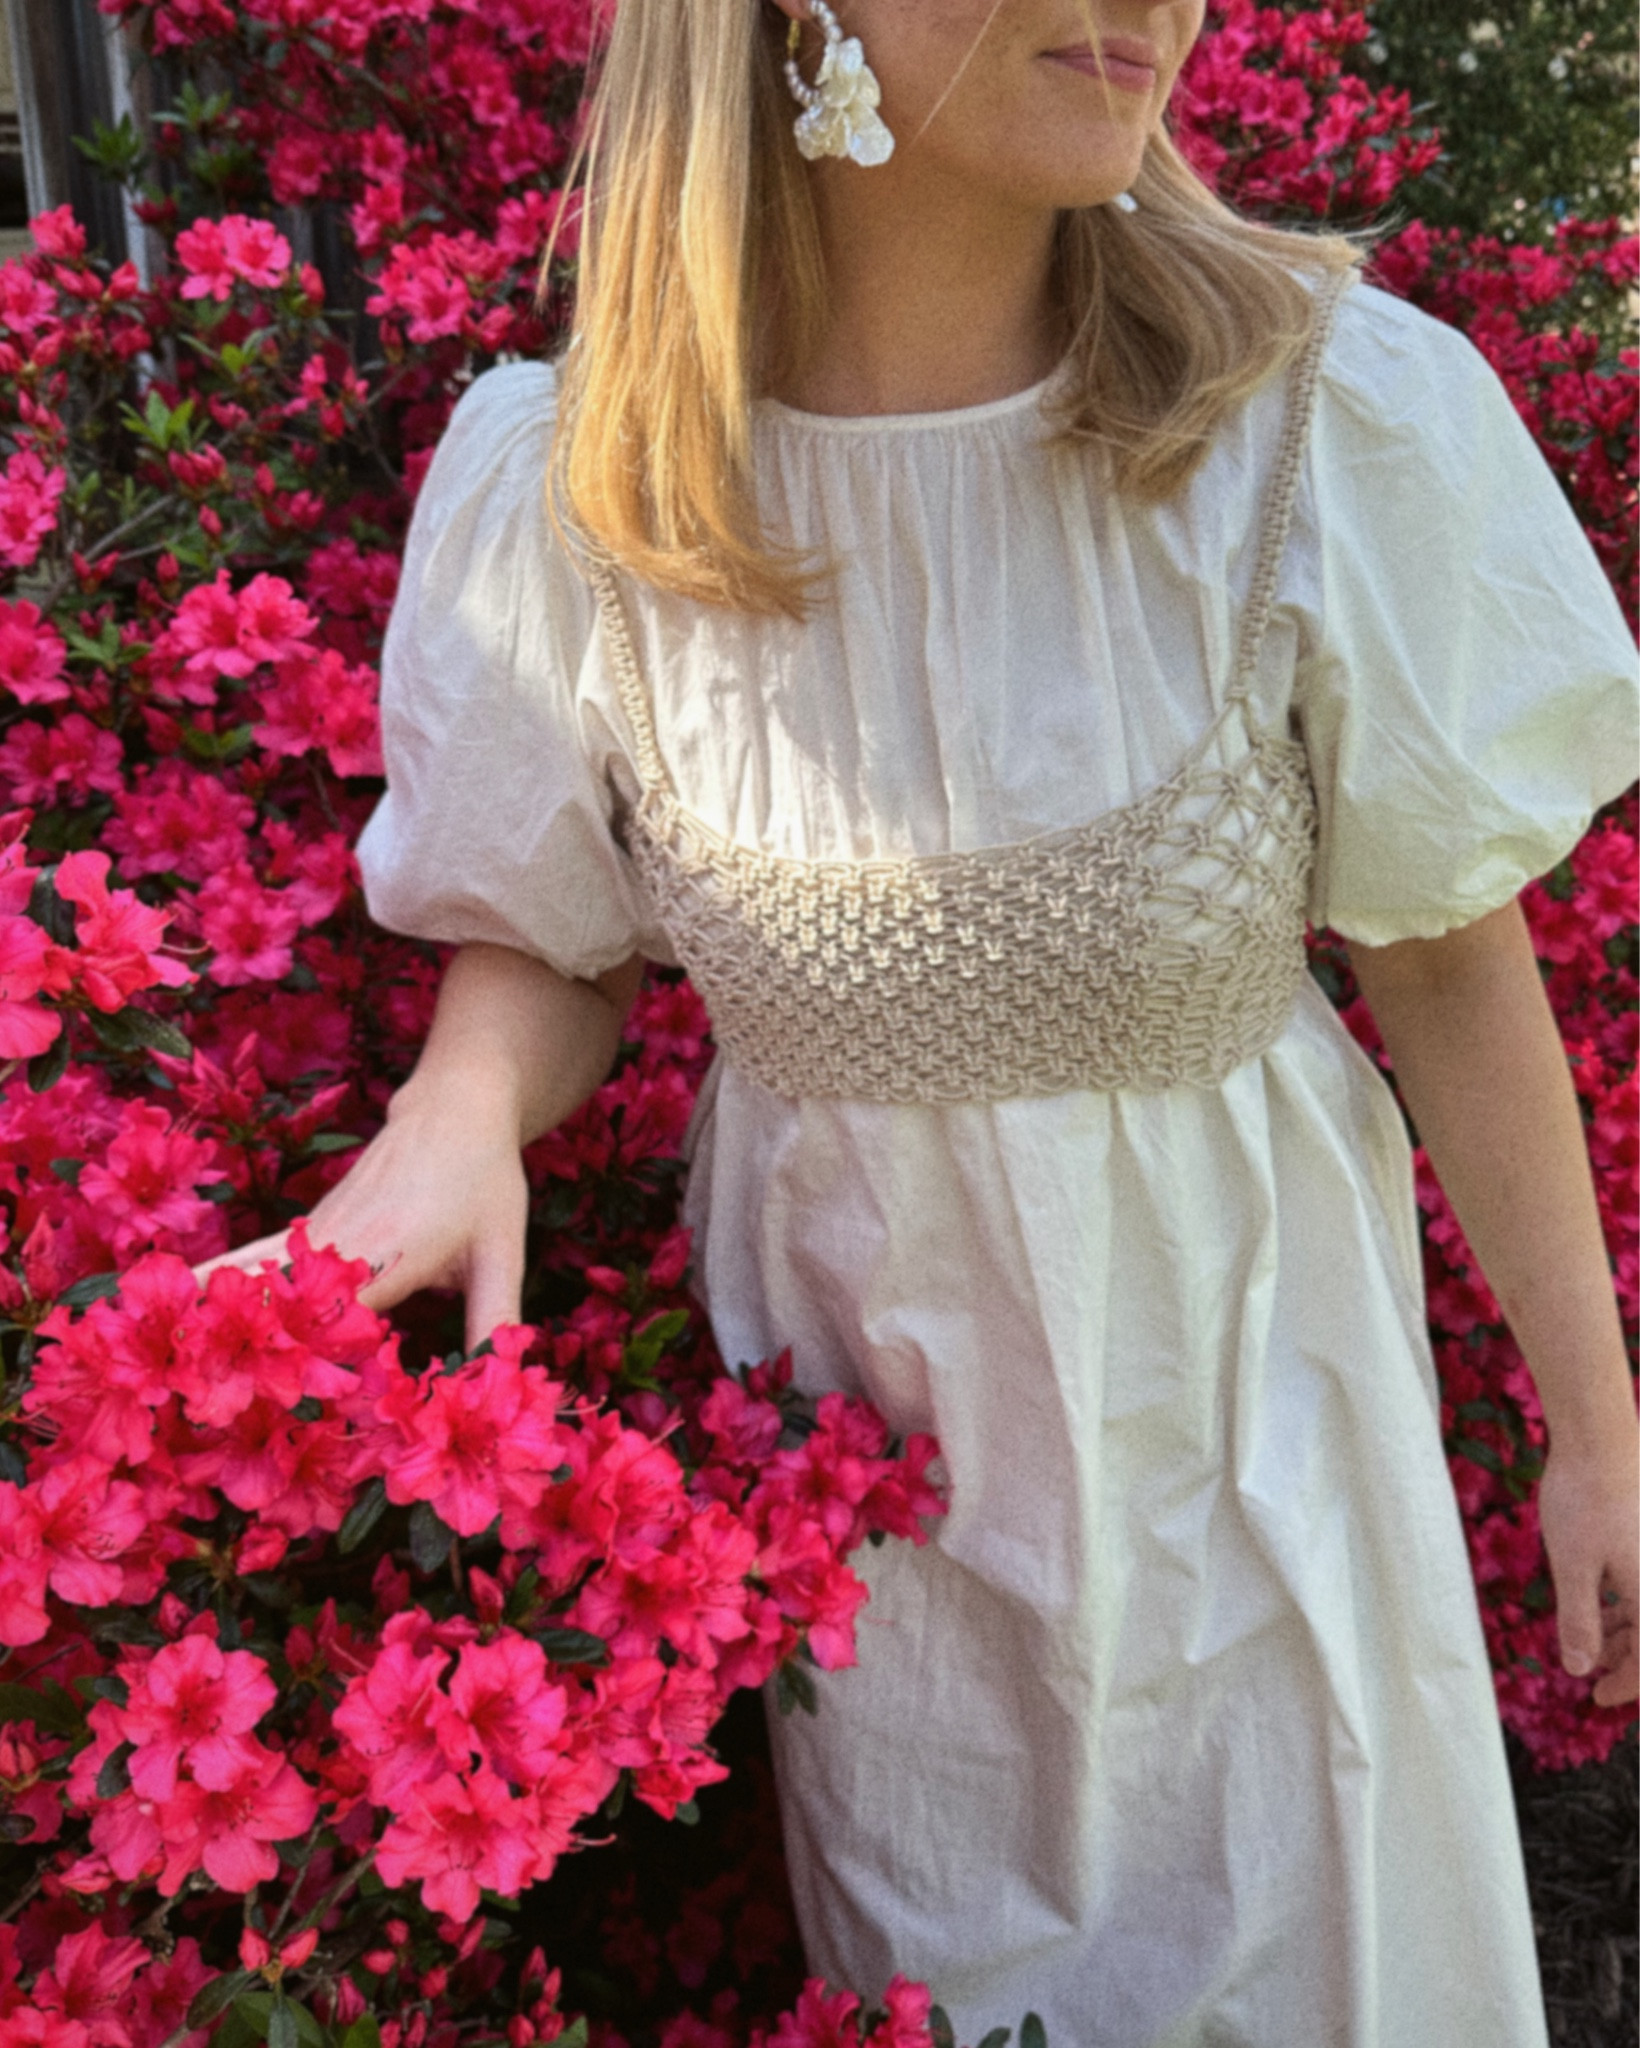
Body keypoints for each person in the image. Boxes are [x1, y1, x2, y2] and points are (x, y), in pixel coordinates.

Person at [199, 3, 1640, 2041]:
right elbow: (558, 932)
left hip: (1258, 1460)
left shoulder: (1313, 424)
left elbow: (1440, 953)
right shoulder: (584, 489)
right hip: (883, 1543)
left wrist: (1599, 1428)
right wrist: (458, 1105)